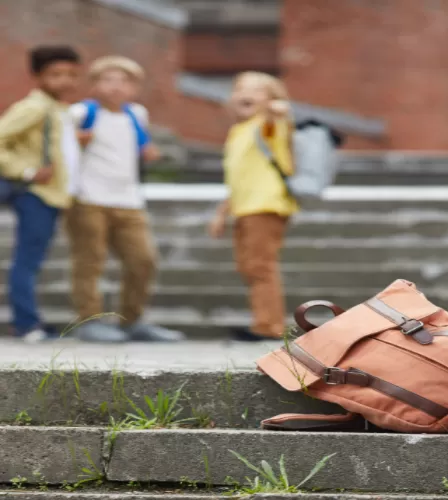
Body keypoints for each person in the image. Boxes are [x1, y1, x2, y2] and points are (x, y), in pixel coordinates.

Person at [65, 56, 183, 343]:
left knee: (143, 260)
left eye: (123, 81)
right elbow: (63, 153)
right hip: (88, 198)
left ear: (134, 88)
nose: (116, 87)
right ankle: (89, 321)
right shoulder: (80, 113)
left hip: (129, 200)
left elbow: (139, 147)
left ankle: (133, 320)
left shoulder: (136, 114)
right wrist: (76, 143)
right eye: (107, 79)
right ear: (94, 85)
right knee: (89, 262)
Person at [208, 71, 297, 342]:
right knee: (249, 267)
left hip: (265, 204)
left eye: (257, 90)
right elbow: (238, 179)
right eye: (241, 89)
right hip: (244, 207)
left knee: (261, 266)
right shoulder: (238, 130)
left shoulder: (266, 125)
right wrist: (222, 213)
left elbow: (277, 118)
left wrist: (277, 109)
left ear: (270, 98)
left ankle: (268, 326)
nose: (246, 94)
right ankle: (263, 320)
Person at [0, 46, 80, 342]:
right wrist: (27, 171)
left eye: (72, 74)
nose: (65, 81)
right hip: (36, 194)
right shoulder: (35, 106)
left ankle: (30, 320)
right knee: (27, 260)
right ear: (38, 76)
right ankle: (26, 324)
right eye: (56, 74)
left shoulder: (59, 109)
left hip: (54, 196)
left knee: (33, 259)